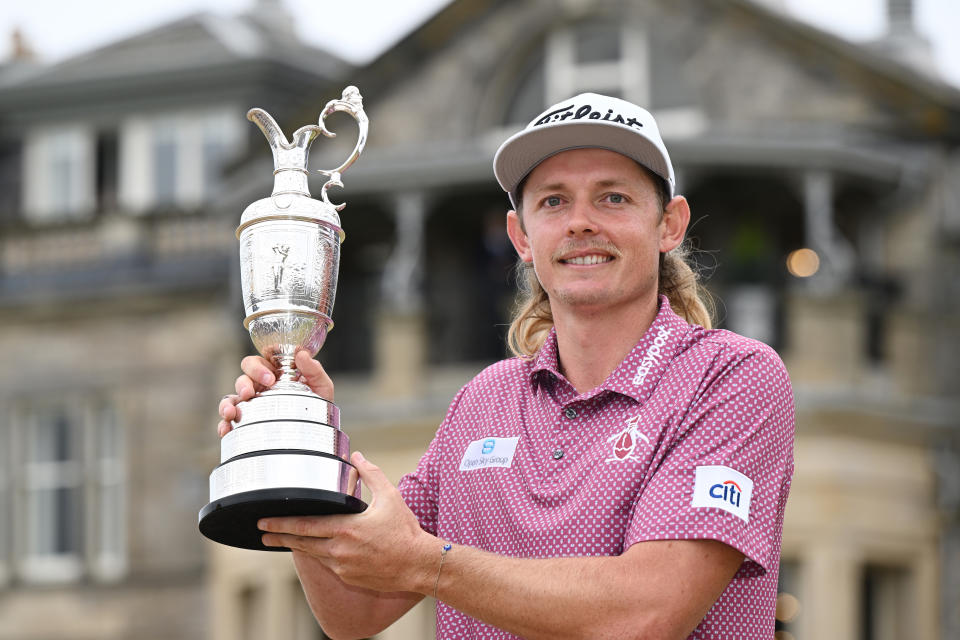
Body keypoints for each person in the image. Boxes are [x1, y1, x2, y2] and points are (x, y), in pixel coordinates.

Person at [218, 92, 795, 640]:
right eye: (553, 201)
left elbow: (646, 613)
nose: (581, 222)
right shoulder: (484, 399)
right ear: (521, 235)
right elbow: (355, 609)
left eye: (613, 197)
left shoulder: (733, 376)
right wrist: (305, 452)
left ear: (669, 223)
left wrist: (428, 565)